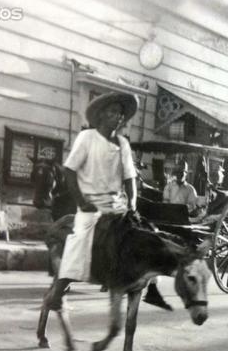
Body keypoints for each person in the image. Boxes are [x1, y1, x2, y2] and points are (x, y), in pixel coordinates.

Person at [45, 91, 171, 311]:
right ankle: (60, 288)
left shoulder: (123, 143)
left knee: (147, 233)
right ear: (102, 114)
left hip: (117, 204)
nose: (118, 117)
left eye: (121, 114)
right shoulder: (87, 138)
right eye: (113, 112)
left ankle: (150, 286)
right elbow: (69, 170)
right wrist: (82, 201)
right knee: (81, 239)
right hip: (91, 204)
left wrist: (132, 203)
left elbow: (130, 177)